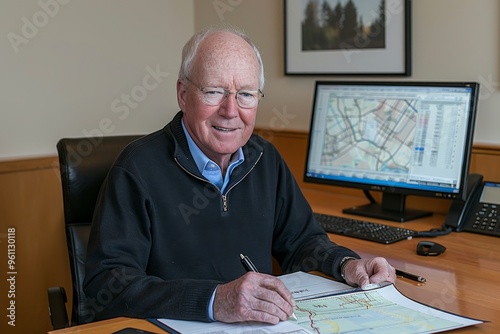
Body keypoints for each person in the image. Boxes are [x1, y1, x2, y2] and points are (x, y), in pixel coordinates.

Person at [83, 26, 396, 325]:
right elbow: (107, 283)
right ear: (183, 94)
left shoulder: (265, 159)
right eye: (214, 91)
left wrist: (347, 264)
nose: (231, 110)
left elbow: (302, 243)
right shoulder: (137, 169)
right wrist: (215, 300)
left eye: (246, 94)